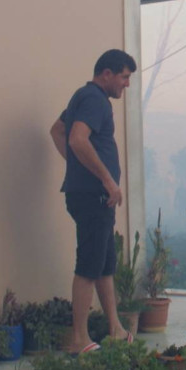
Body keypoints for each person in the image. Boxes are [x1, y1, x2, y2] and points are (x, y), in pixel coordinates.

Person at [50, 49, 137, 354]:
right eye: (125, 77)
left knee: (104, 262)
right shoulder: (94, 99)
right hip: (93, 196)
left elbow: (58, 130)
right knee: (89, 263)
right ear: (107, 74)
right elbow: (76, 138)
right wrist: (106, 179)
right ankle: (79, 339)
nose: (126, 84)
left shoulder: (86, 97)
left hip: (91, 193)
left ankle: (114, 328)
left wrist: (77, 165)